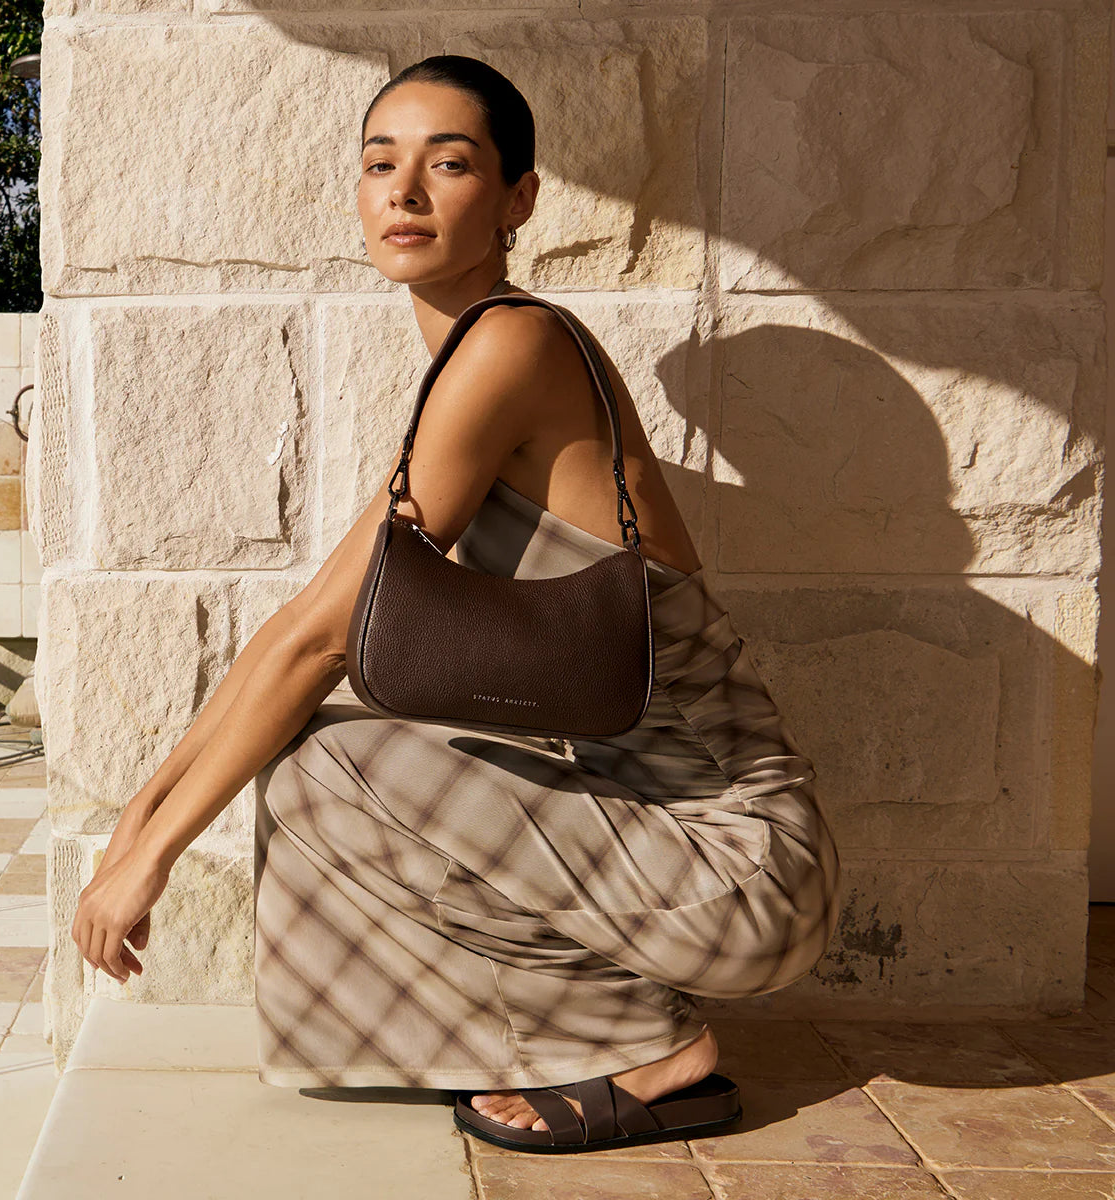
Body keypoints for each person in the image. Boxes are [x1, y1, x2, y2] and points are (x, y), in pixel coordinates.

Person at [70, 53, 842, 1153]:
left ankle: (650, 1046)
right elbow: (305, 623)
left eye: (449, 164)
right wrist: (138, 819)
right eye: (379, 163)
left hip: (740, 867)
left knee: (330, 759)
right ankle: (569, 1030)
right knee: (326, 752)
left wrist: (151, 855)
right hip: (661, 852)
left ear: (518, 199)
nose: (405, 192)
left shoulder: (514, 344)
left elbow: (321, 643)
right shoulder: (472, 366)